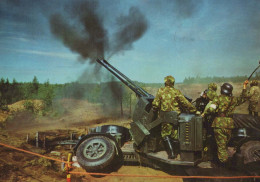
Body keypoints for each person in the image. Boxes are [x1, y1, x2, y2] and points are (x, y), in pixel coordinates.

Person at [152, 75, 198, 159]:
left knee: (165, 135)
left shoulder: (160, 91)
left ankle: (171, 154)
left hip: (165, 117)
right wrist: (194, 110)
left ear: (165, 82)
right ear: (173, 83)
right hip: (175, 117)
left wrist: (155, 110)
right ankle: (178, 152)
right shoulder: (177, 92)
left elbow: (155, 104)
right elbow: (185, 103)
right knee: (175, 135)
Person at [202, 82, 246, 166]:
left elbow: (211, 110)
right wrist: (244, 87)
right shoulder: (233, 99)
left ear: (222, 90)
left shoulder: (218, 99)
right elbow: (243, 98)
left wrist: (207, 112)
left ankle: (223, 167)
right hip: (229, 125)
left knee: (221, 147)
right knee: (224, 145)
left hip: (219, 124)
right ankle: (223, 161)